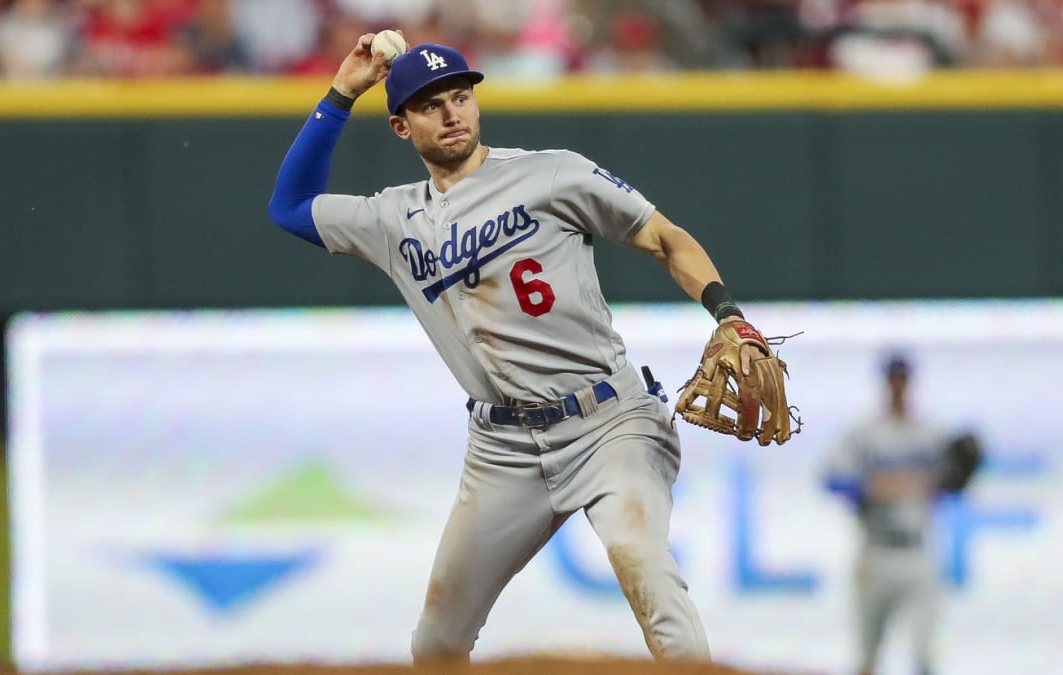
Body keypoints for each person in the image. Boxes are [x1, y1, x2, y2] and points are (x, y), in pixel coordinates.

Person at [267, 32, 773, 664]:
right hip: (503, 450)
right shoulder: (391, 220)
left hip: (608, 421)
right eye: (430, 105)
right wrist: (342, 93)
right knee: (437, 640)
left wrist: (727, 313)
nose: (452, 113)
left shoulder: (551, 172)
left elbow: (665, 238)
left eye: (460, 97)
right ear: (400, 126)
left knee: (644, 566)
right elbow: (288, 206)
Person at [822, 352, 978, 675]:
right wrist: (874, 488)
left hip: (918, 552)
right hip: (876, 550)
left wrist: (953, 476)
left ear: (910, 382)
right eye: (893, 378)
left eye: (903, 378)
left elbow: (957, 478)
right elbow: (832, 479)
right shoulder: (865, 433)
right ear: (885, 382)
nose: (898, 385)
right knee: (868, 656)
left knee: (924, 654)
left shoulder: (930, 434)